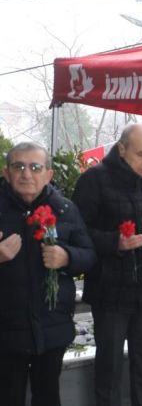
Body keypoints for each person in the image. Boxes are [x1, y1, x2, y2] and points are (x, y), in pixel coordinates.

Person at [72, 124, 142, 406]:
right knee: (109, 368)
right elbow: (77, 232)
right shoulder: (94, 180)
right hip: (110, 293)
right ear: (122, 150)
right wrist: (114, 242)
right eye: (141, 154)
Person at [0, 142, 96, 406]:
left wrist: (67, 257)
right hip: (6, 331)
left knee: (48, 396)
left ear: (48, 174)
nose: (26, 174)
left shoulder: (64, 209)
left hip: (51, 327)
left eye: (35, 167)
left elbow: (89, 254)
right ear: (6, 173)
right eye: (18, 166)